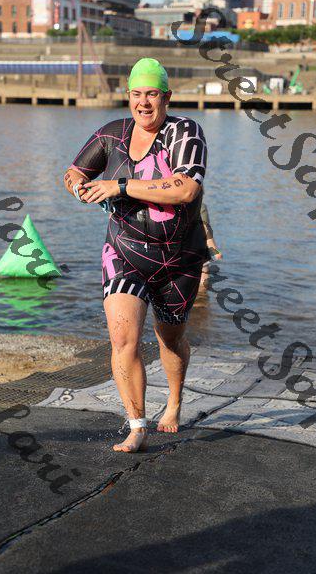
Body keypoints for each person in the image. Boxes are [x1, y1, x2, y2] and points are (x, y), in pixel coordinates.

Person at [63, 58, 212, 453]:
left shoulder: (185, 131)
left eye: (152, 94)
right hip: (124, 250)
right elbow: (74, 171)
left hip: (179, 257)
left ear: (166, 97)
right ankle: (137, 425)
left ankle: (175, 401)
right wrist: (79, 187)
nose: (143, 102)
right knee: (122, 338)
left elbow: (185, 189)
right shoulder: (112, 133)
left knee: (170, 338)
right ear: (128, 95)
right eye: (136, 94)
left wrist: (120, 186)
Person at [198, 201, 222, 292]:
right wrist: (214, 250)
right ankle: (202, 298)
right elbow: (205, 228)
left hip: (173, 252)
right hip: (198, 252)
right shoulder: (199, 205)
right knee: (202, 285)